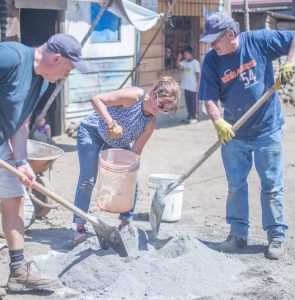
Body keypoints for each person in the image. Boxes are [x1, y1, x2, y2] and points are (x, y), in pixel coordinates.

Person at [199, 12, 295, 260]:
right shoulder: (212, 61)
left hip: (267, 129)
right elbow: (208, 99)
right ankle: (237, 235)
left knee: (271, 186)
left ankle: (276, 236)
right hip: (234, 133)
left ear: (230, 34)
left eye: (215, 40)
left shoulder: (259, 40)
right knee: (236, 186)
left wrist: (289, 63)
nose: (212, 46)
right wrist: (218, 120)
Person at [0, 33, 90, 296]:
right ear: (56, 58)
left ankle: (18, 272)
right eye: (68, 69)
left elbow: (22, 122)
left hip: (3, 141)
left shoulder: (40, 81)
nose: (66, 76)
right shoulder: (12, 57)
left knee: (15, 198)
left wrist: (22, 161)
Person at [73, 77, 180, 243]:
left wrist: (129, 170)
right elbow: (97, 100)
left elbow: (136, 151)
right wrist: (110, 123)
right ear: (154, 94)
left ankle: (124, 225)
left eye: (165, 109)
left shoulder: (150, 122)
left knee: (132, 182)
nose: (160, 110)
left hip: (116, 142)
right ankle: (79, 227)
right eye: (160, 105)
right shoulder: (134, 96)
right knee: (88, 179)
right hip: (92, 131)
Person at [176, 46, 201, 124]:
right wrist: (178, 58)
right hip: (186, 86)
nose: (185, 56)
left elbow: (197, 74)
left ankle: (194, 117)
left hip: (193, 86)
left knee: (193, 102)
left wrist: (198, 85)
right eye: (184, 54)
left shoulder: (195, 62)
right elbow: (178, 66)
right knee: (188, 102)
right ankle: (189, 115)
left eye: (187, 54)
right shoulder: (184, 62)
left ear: (191, 54)